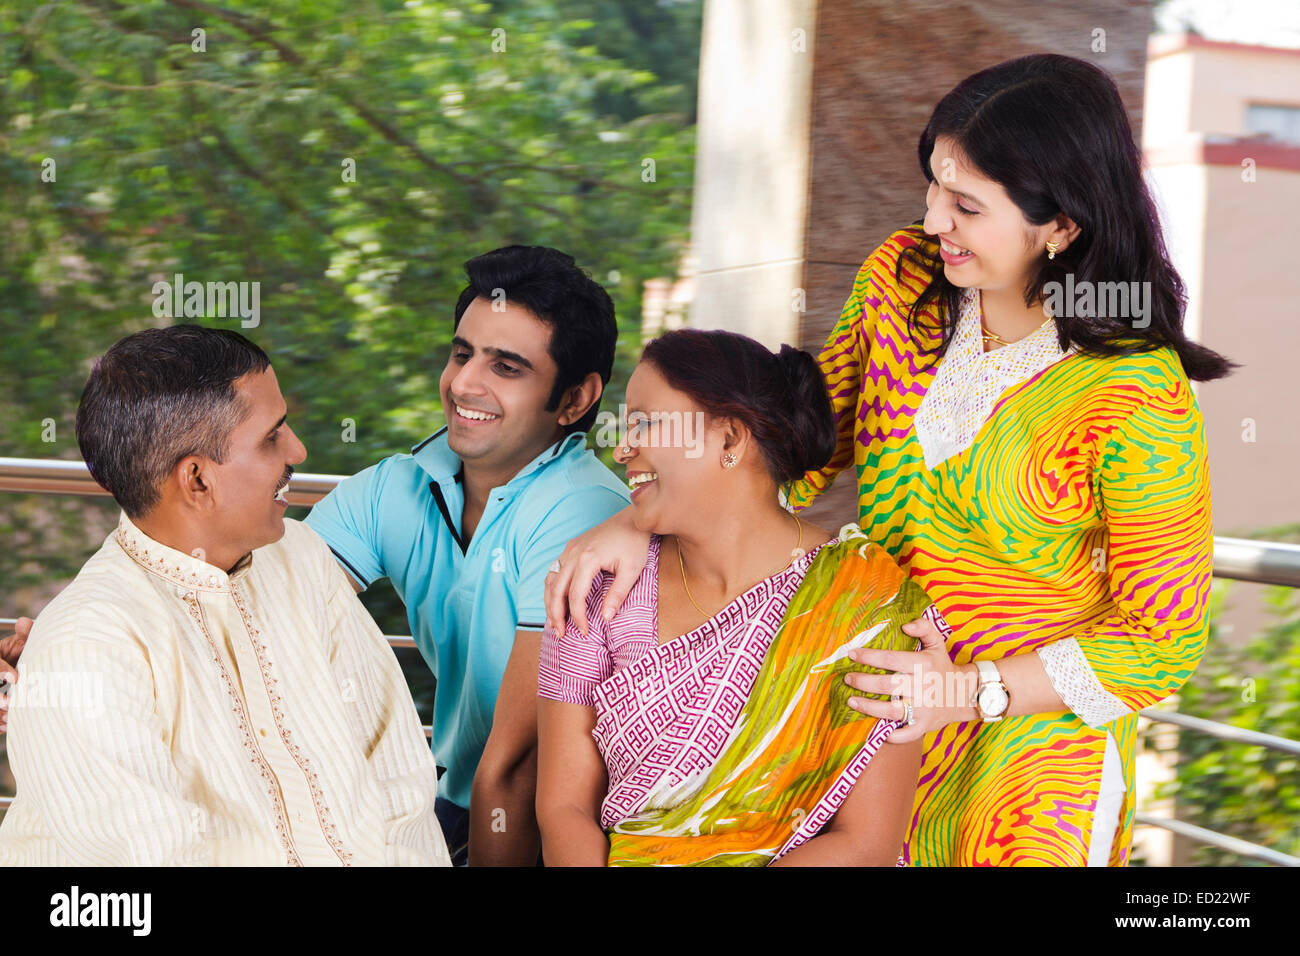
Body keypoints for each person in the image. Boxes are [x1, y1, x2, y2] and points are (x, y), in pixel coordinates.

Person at [544, 54, 1228, 866]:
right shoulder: (903, 283)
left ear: (1062, 225)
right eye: (934, 187)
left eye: (966, 205)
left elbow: (1163, 639)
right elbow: (796, 444)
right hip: (859, 725)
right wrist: (639, 516)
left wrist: (971, 692)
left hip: (1031, 764)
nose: (934, 221)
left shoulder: (1133, 391)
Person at [0, 326, 449, 866]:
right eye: (272, 437)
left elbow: (399, 782)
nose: (298, 450)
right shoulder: (87, 643)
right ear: (197, 480)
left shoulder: (302, 559)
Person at [536, 329, 931, 866]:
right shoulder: (597, 590)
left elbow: (866, 843)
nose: (622, 449)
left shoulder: (871, 606)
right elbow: (563, 808)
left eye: (645, 424)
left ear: (729, 439)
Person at [303, 246, 630, 865]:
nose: (462, 384)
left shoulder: (583, 510)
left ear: (575, 399)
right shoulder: (395, 486)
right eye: (462, 354)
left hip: (576, 823)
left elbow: (519, 767)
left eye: (506, 367)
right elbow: (272, 609)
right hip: (454, 795)